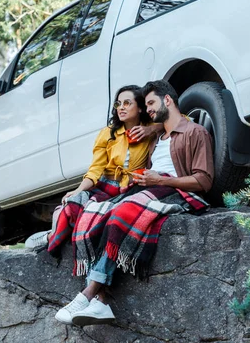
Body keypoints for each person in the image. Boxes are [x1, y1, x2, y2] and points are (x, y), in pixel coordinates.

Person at [58, 79, 214, 327]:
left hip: (174, 189)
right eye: (146, 104)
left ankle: (87, 294)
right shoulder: (156, 137)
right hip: (147, 187)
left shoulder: (195, 132)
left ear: (168, 100)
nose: (148, 109)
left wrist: (159, 180)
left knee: (122, 213)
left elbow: (204, 181)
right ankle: (101, 301)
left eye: (151, 103)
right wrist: (153, 135)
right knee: (99, 215)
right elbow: (153, 128)